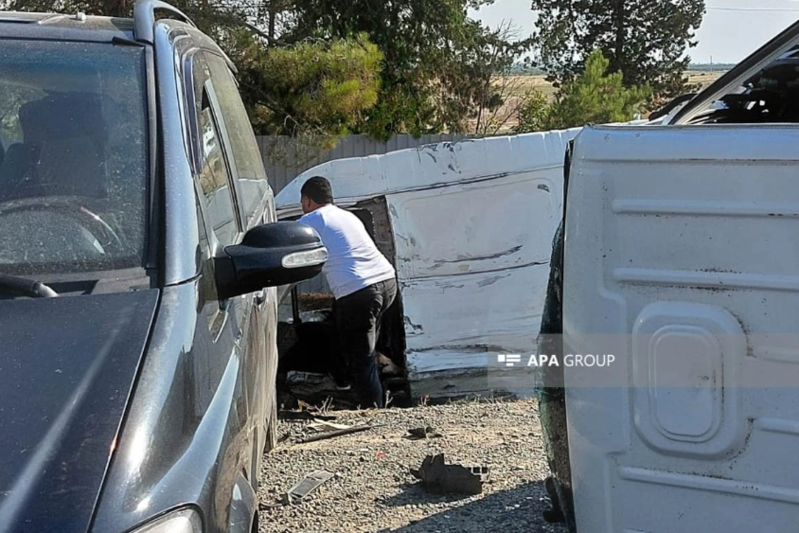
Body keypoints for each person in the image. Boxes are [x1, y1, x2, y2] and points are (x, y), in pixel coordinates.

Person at [299, 176, 397, 408]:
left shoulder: (311, 220)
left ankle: (374, 411)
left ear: (307, 200)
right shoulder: (347, 216)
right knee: (356, 340)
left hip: (360, 292)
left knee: (362, 360)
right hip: (386, 281)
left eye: (303, 202)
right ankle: (349, 383)